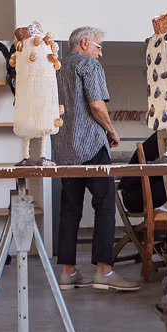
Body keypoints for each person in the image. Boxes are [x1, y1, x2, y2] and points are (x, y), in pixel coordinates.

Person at [52, 26, 140, 292]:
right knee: (104, 206)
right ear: (85, 43)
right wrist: (112, 130)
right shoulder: (88, 65)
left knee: (69, 210)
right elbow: (96, 105)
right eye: (99, 46)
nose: (100, 53)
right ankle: (104, 271)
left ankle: (68, 273)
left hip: (65, 151)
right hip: (91, 146)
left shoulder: (56, 69)